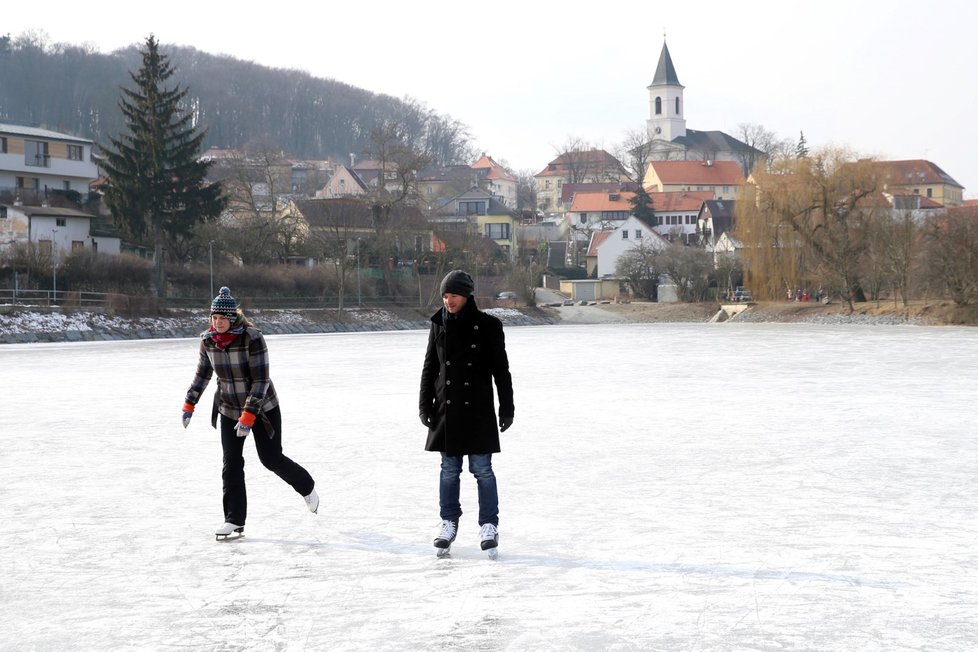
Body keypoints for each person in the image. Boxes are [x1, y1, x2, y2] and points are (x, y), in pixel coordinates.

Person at [181, 286, 319, 540]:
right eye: (214, 318)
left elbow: (260, 380)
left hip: (263, 409)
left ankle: (307, 486)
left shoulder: (252, 338)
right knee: (231, 463)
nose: (218, 323)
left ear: (233, 318)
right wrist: (190, 404)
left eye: (223, 318)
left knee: (271, 459)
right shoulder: (207, 340)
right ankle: (234, 520)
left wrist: (249, 415)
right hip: (229, 408)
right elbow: (203, 374)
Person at [419, 270, 515, 556]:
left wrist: (507, 407)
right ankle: (448, 522)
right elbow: (429, 368)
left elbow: (501, 371)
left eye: (454, 296)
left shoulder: (488, 326)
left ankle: (489, 525)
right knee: (449, 470)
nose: (448, 301)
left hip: (478, 409)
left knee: (482, 470)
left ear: (467, 296)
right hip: (447, 407)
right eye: (445, 296)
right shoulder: (439, 324)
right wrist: (425, 404)